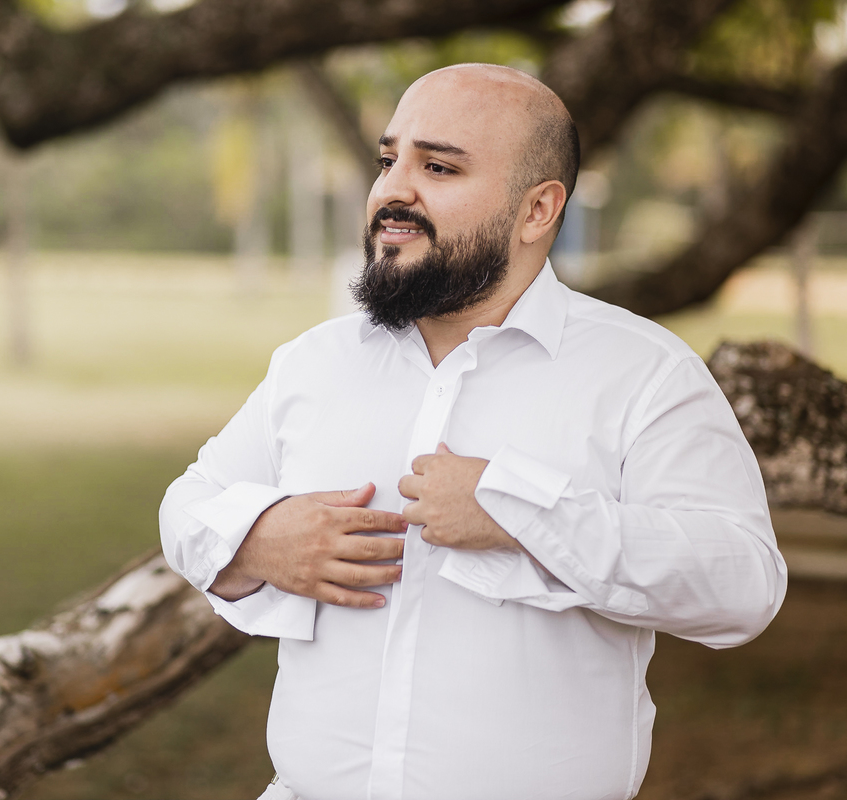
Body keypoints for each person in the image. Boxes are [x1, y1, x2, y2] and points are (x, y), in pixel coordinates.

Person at [159, 63, 786, 800]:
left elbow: (744, 585)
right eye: (389, 159)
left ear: (536, 210)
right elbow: (189, 505)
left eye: (439, 166)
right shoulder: (315, 363)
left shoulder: (643, 374)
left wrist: (520, 514)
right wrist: (261, 537)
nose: (394, 189)